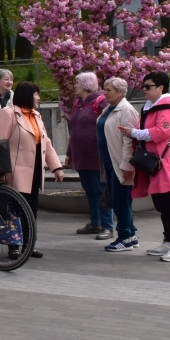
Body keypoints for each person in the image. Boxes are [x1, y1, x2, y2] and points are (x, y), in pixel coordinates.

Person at [121, 71, 170, 262]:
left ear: (161, 88)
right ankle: (169, 241)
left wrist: (134, 133)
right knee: (161, 203)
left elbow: (161, 132)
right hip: (157, 160)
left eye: (148, 86)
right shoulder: (152, 106)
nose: (144, 89)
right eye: (144, 86)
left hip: (166, 161)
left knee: (168, 204)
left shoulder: (168, 106)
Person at [0, 81, 64, 259]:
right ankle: (14, 245)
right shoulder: (9, 113)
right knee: (15, 210)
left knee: (31, 209)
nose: (39, 98)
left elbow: (46, 143)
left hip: (35, 170)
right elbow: (0, 143)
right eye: (36, 95)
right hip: (15, 171)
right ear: (27, 95)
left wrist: (56, 167)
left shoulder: (36, 115)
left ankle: (28, 243)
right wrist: (1, 171)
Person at [65, 72, 114, 241]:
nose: (75, 86)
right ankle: (95, 222)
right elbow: (74, 131)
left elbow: (109, 125)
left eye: (77, 83)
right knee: (89, 190)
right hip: (81, 155)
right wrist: (69, 153)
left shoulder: (101, 102)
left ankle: (107, 226)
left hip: (96, 155)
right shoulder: (78, 103)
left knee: (100, 190)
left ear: (86, 84)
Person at [98, 77, 141, 253]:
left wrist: (126, 164)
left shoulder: (126, 110)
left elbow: (128, 140)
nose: (105, 93)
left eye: (109, 90)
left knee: (121, 201)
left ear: (120, 92)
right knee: (119, 200)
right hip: (109, 161)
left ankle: (124, 237)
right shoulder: (110, 108)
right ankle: (130, 234)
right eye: (105, 89)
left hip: (120, 163)